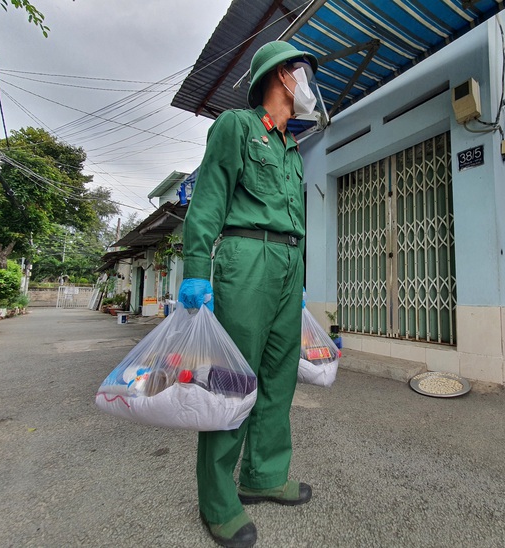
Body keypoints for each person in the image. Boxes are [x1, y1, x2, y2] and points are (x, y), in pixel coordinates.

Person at [177, 41, 318, 548]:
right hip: (245, 258)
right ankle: (217, 502)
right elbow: (210, 196)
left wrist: (299, 283)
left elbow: (297, 223)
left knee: (279, 376)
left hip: (285, 264)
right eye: (302, 73)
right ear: (282, 76)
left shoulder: (292, 149)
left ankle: (263, 475)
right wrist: (197, 267)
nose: (307, 85)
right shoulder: (236, 126)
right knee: (232, 381)